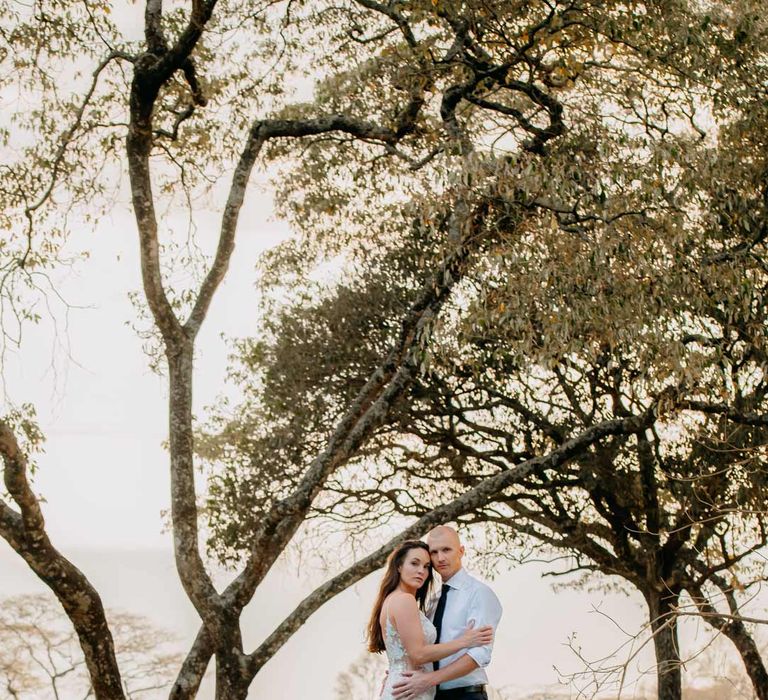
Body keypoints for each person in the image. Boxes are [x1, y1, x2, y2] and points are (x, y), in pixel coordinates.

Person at [367, 540, 494, 700]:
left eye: (426, 566)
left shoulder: (394, 599)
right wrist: (465, 641)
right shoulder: (404, 600)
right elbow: (418, 654)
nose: (421, 571)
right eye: (414, 563)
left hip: (404, 685)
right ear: (399, 566)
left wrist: (395, 672)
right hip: (409, 691)